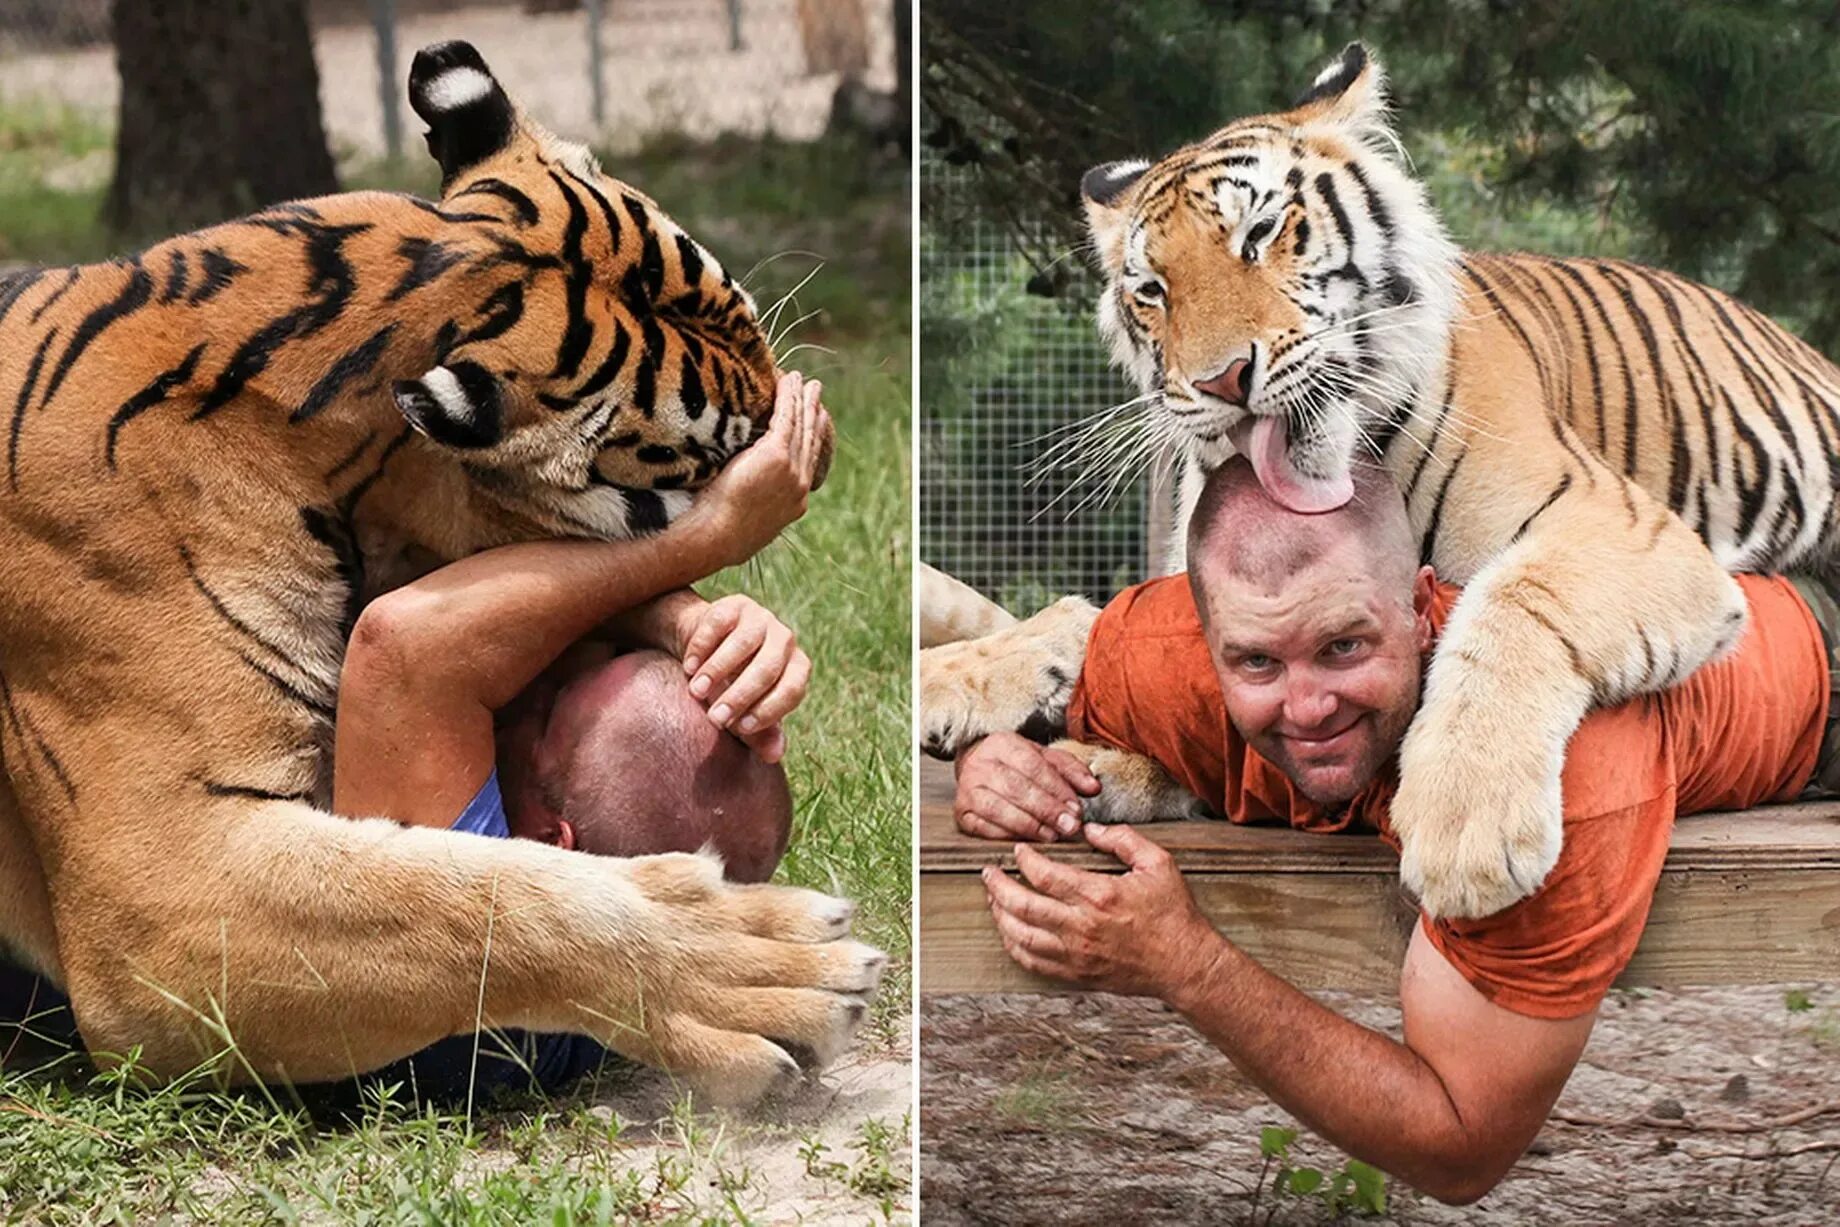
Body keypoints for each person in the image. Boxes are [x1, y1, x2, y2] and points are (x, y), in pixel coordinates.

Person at [955, 457, 1833, 1204]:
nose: (1307, 707)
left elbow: (1462, 1145)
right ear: (1206, 636)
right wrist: (992, 757)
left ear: (1420, 609)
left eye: (1345, 647)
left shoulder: (1556, 781)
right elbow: (1020, 695)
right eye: (1257, 660)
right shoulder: (1159, 656)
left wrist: (1184, 961)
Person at [1, 372, 832, 1103]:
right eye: (585, 659)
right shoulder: (588, 966)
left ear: (550, 837)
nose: (534, 669)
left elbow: (410, 641)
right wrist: (688, 622)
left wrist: (706, 540)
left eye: (548, 706)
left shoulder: (479, 985)